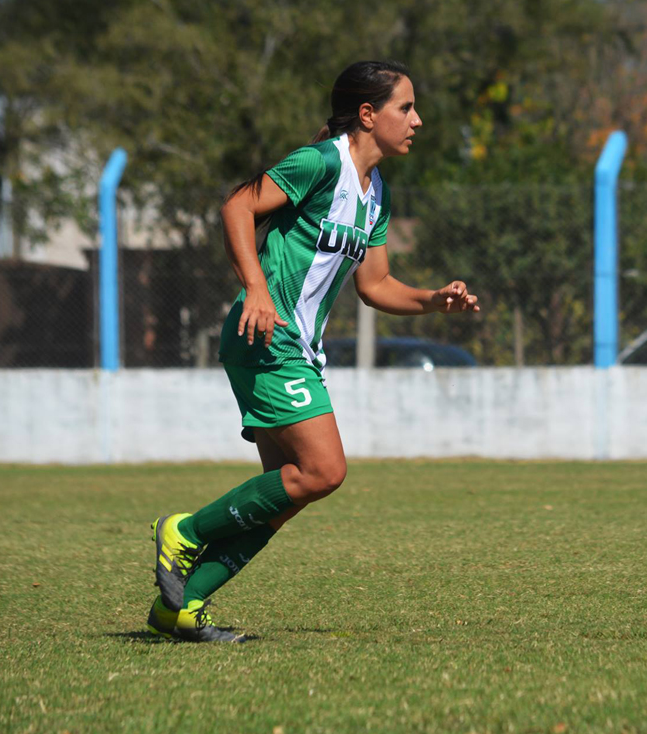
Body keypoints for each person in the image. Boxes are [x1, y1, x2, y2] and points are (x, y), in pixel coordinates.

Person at [145, 61, 480, 643]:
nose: (417, 120)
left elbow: (375, 285)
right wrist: (255, 287)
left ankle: (181, 607)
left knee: (284, 496)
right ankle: (185, 530)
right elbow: (236, 207)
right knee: (325, 470)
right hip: (265, 337)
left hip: (297, 347)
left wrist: (432, 300)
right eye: (406, 107)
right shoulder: (320, 162)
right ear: (368, 115)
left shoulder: (377, 194)